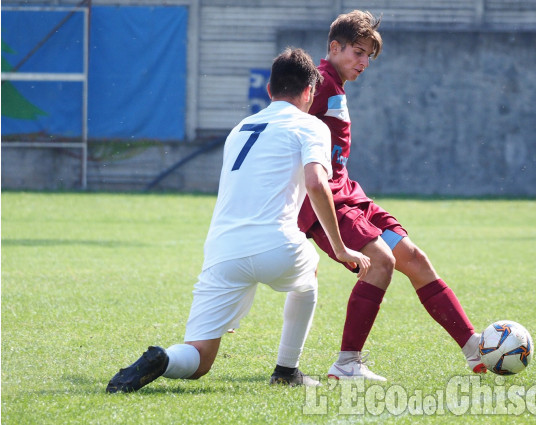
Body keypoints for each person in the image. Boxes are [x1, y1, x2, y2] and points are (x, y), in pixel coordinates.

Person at [106, 48, 370, 393]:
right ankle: (287, 370)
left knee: (199, 360)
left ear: (269, 90)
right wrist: (341, 248)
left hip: (222, 251)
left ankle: (164, 359)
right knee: (310, 270)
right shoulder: (312, 126)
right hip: (278, 247)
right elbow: (318, 183)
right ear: (309, 92)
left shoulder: (240, 128)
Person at [297, 10, 486, 381]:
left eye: (369, 55)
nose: (364, 62)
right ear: (334, 48)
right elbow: (285, 124)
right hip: (326, 205)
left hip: (350, 194)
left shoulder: (335, 85)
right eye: (358, 52)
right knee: (381, 264)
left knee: (414, 258)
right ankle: (347, 363)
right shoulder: (317, 83)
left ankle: (473, 348)